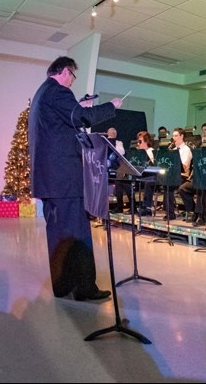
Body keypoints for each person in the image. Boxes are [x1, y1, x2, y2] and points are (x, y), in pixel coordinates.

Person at [28, 56, 122, 301]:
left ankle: (62, 285)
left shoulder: (42, 93)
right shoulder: (58, 91)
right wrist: (111, 106)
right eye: (73, 76)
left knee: (58, 234)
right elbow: (81, 118)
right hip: (65, 179)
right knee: (78, 234)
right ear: (65, 71)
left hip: (50, 181)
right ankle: (84, 288)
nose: (72, 82)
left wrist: (80, 107)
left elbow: (64, 122)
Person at [115, 131, 155, 215]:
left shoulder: (150, 151)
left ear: (146, 141)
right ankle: (120, 207)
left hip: (147, 176)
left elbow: (151, 165)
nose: (138, 144)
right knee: (119, 180)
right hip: (137, 175)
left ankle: (134, 208)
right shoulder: (138, 153)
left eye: (140, 141)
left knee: (127, 182)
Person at [168, 127, 193, 221]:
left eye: (176, 136)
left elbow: (185, 166)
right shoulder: (173, 149)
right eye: (173, 136)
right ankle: (169, 212)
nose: (174, 138)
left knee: (170, 186)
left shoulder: (186, 149)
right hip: (174, 175)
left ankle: (191, 210)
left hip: (182, 176)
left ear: (182, 136)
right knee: (166, 183)